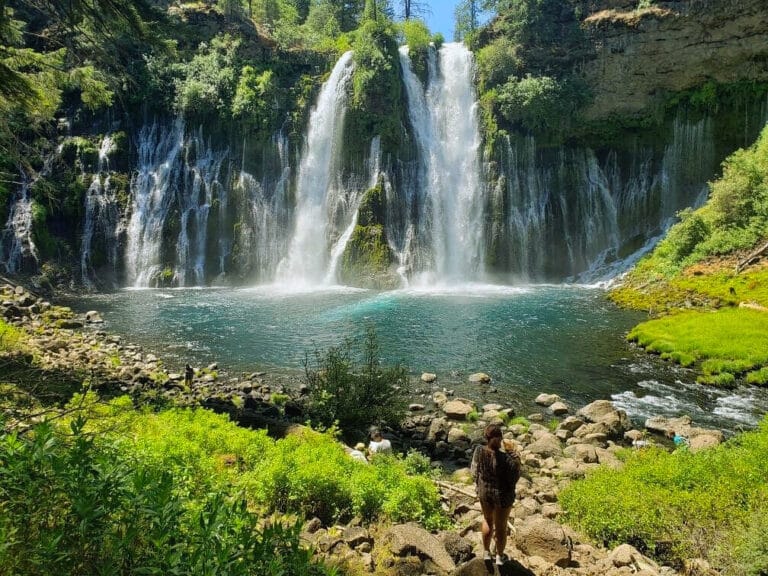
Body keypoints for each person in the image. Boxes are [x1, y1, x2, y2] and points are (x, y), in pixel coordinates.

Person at [471, 424, 521, 566]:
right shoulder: (506, 459)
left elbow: (474, 472)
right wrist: (517, 461)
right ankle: (499, 556)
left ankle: (486, 553)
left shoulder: (478, 451)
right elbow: (514, 479)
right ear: (499, 439)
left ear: (486, 437)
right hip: (502, 496)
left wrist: (478, 486)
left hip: (484, 492)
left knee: (487, 520)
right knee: (501, 526)